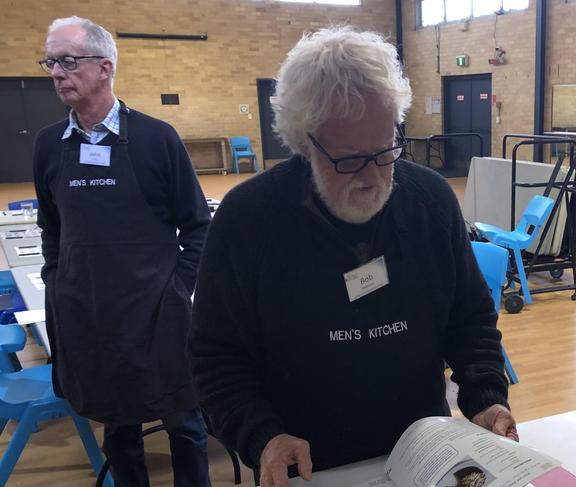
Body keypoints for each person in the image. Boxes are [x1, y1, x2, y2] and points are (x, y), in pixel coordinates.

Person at [189, 26, 517, 487]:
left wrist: (485, 395)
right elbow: (215, 358)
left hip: (422, 455)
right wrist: (262, 436)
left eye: (386, 150)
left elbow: (469, 317)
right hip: (307, 467)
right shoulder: (248, 221)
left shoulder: (430, 202)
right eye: (348, 159)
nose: (374, 177)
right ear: (304, 143)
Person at [34, 16, 212, 487]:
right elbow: (50, 227)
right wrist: (58, 278)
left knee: (185, 425)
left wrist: (176, 289)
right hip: (90, 316)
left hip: (158, 315)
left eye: (68, 61)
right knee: (119, 430)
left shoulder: (157, 139)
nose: (56, 72)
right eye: (51, 61)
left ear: (104, 67)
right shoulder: (50, 146)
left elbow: (198, 225)